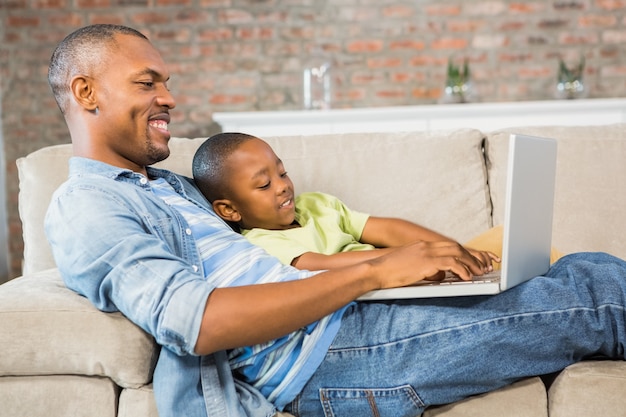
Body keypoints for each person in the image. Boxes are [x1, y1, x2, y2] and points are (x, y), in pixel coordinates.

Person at [45, 24, 626, 417]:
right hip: (325, 357)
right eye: (148, 83)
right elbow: (195, 324)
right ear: (86, 91)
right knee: (597, 296)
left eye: (167, 82)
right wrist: (373, 272)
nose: (169, 97)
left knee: (581, 266)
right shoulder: (88, 206)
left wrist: (404, 274)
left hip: (345, 321)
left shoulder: (168, 186)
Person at [191, 132, 500, 272]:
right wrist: (407, 258)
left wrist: (451, 248)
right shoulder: (261, 243)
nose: (283, 187)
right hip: (370, 291)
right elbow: (324, 266)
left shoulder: (315, 205)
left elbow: (387, 228)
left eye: (283, 173)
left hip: (402, 270)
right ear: (229, 210)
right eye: (264, 184)